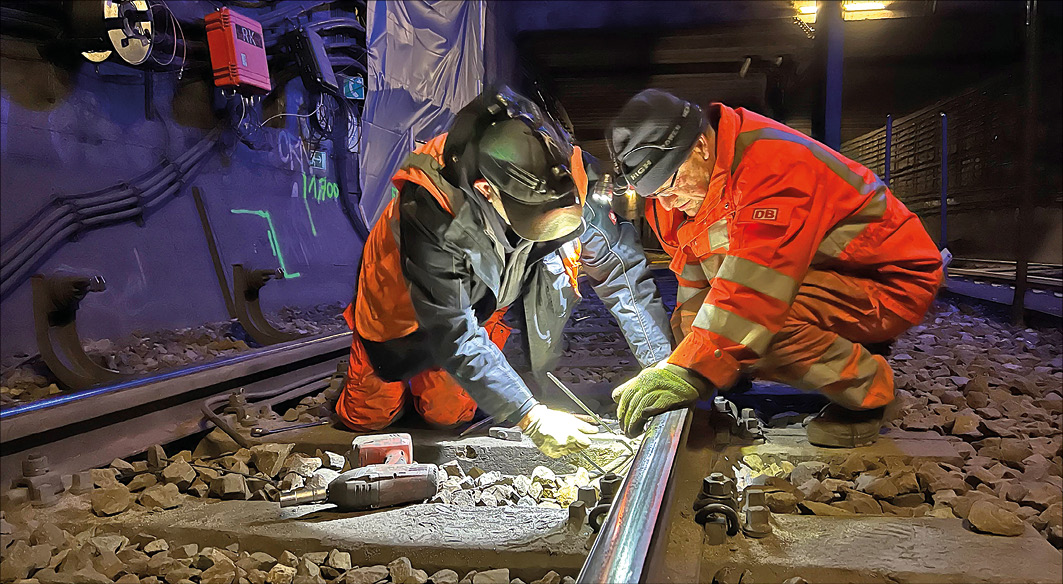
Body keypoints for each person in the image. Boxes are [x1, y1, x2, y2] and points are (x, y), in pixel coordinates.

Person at [336, 86, 672, 458]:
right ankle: (368, 387)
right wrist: (530, 416)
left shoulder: (572, 176)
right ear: (488, 191)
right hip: (398, 303)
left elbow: (621, 272)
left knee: (446, 416)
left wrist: (663, 366)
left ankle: (429, 393)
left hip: (479, 299)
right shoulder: (432, 208)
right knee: (369, 415)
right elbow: (452, 331)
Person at [607, 89, 943, 447]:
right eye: (655, 195)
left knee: (762, 330)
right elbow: (694, 289)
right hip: (816, 271)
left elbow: (757, 294)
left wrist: (697, 370)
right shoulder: (675, 197)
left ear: (702, 148)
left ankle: (869, 394)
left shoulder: (773, 165)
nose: (669, 203)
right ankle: (835, 346)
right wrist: (689, 373)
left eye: (669, 187)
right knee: (720, 333)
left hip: (889, 279)